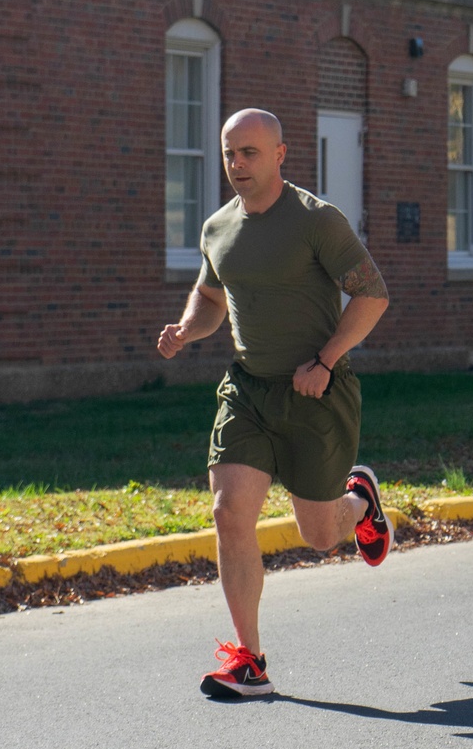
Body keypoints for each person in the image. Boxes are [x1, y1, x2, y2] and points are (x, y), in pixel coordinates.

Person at [158, 107, 392, 701]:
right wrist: (188, 329)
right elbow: (211, 296)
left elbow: (371, 293)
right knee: (228, 512)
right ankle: (249, 660)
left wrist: (326, 358)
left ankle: (359, 502)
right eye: (229, 153)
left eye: (250, 153)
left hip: (315, 391)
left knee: (318, 535)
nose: (237, 164)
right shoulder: (218, 228)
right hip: (248, 389)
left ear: (280, 154)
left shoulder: (317, 220)